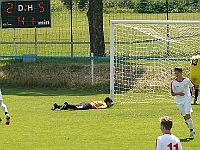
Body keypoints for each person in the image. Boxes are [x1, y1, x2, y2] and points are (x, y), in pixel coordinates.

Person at [171, 67, 195, 139]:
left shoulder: (187, 80)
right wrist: (178, 93)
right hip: (179, 101)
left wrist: (192, 94)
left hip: (187, 99)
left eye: (177, 73)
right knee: (185, 117)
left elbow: (192, 86)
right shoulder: (173, 82)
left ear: (181, 73)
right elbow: (172, 93)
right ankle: (191, 127)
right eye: (175, 73)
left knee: (188, 115)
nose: (176, 74)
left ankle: (191, 131)